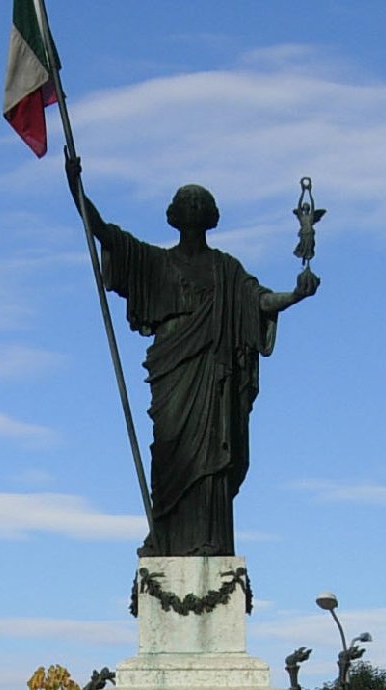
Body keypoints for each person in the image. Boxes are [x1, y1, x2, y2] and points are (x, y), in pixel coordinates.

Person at [67, 154, 318, 556]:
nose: (195, 209)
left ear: (211, 216)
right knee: (168, 450)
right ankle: (164, 536)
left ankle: (210, 540)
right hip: (173, 371)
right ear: (175, 215)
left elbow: (259, 303)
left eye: (201, 204)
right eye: (188, 203)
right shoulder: (155, 262)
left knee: (212, 459)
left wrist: (296, 295)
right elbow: (107, 236)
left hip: (213, 375)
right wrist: (78, 192)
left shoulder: (227, 270)